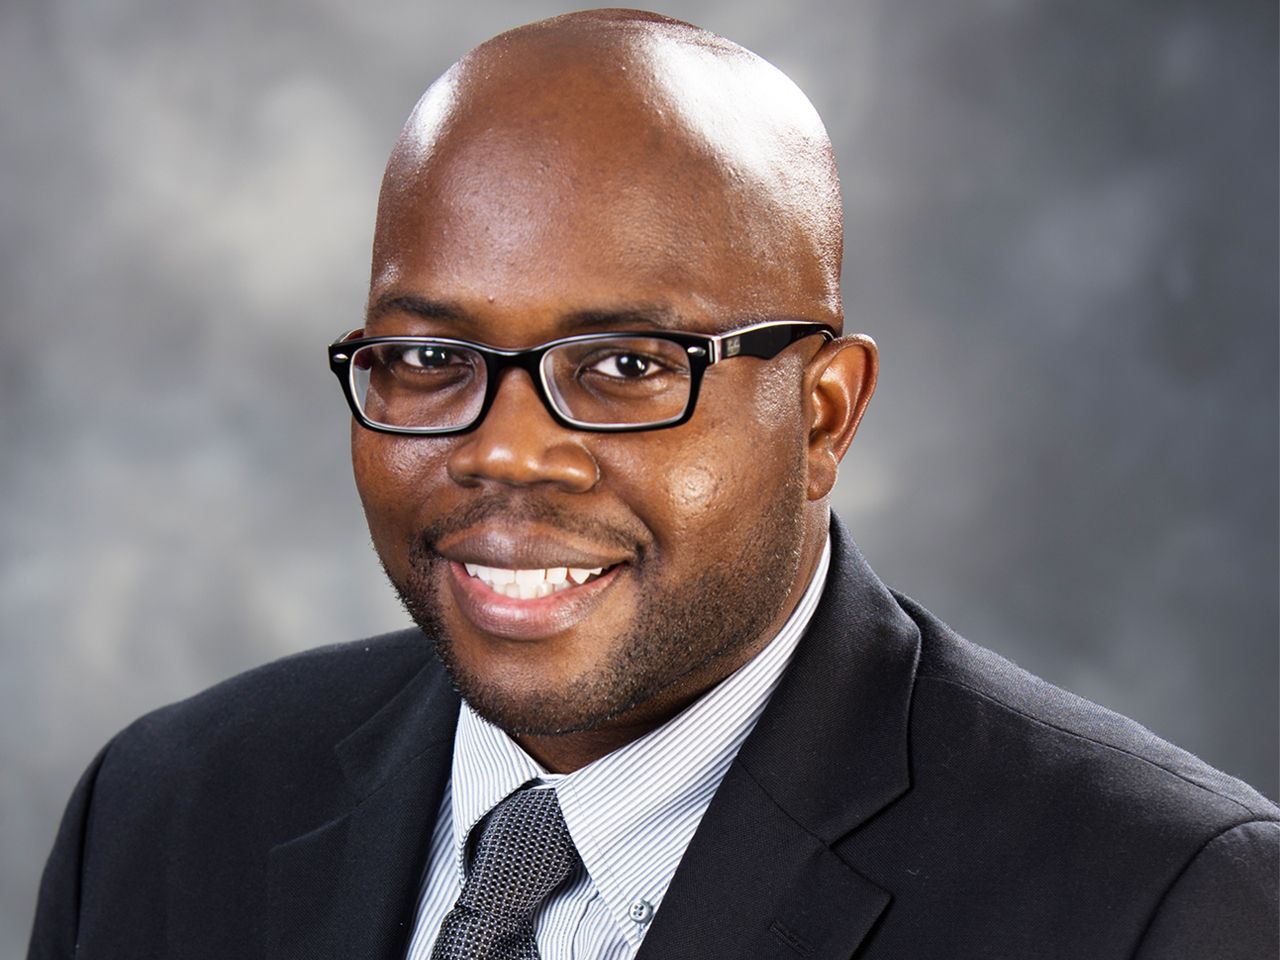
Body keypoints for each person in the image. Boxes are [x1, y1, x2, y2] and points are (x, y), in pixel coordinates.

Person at [28, 9, 1278, 959]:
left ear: (823, 414)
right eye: (426, 357)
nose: (507, 449)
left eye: (627, 363)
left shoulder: (1162, 901)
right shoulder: (164, 816)